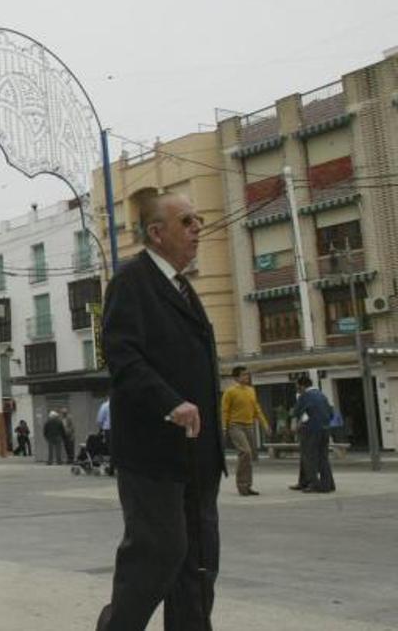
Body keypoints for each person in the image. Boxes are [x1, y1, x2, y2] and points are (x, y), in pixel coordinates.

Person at [95, 192, 225, 631]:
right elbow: (122, 357)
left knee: (199, 566)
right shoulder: (132, 281)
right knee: (157, 556)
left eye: (198, 218)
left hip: (198, 458)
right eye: (187, 220)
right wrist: (170, 402)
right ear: (157, 232)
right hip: (154, 458)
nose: (197, 228)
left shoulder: (183, 287)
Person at [220, 367, 268, 496]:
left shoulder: (251, 390)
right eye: (243, 375)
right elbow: (224, 410)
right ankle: (241, 485)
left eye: (247, 375)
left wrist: (264, 424)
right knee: (245, 452)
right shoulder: (230, 392)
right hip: (235, 426)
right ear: (236, 378)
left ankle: (247, 486)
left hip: (249, 426)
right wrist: (224, 427)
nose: (246, 377)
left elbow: (256, 408)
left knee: (250, 456)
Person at [291, 376, 335, 494]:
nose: (297, 389)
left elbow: (297, 413)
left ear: (302, 386)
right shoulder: (322, 395)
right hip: (325, 429)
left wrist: (296, 426)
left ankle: (313, 484)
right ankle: (328, 484)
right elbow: (331, 413)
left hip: (311, 430)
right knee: (323, 457)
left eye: (297, 387)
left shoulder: (305, 396)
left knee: (309, 457)